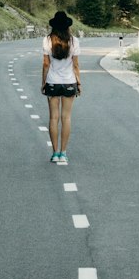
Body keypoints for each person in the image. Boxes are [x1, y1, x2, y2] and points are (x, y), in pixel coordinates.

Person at [42, 9, 81, 165]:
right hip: (69, 82)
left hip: (52, 82)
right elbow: (76, 66)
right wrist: (79, 83)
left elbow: (46, 64)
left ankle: (55, 153)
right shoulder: (74, 41)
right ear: (67, 26)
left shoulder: (47, 40)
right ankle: (64, 153)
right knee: (66, 118)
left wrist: (43, 83)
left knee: (53, 118)